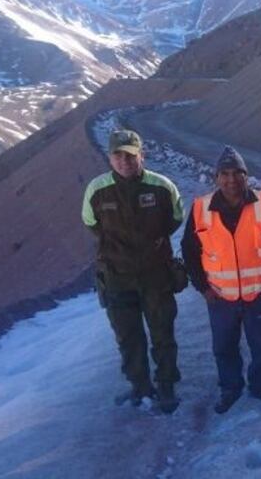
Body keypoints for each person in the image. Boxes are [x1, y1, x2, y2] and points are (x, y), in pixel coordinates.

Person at [181, 147, 261, 414]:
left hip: (258, 296)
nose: (232, 180)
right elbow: (189, 252)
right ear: (217, 177)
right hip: (220, 298)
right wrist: (203, 288)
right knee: (224, 347)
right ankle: (230, 388)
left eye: (237, 173)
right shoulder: (200, 209)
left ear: (246, 176)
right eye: (225, 174)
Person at [81, 129, 184, 413]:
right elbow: (91, 224)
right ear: (110, 158)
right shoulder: (97, 190)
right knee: (128, 336)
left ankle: (166, 384)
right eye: (118, 155)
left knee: (162, 332)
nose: (124, 161)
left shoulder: (162, 187)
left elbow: (175, 218)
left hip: (156, 276)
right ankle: (139, 385)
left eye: (130, 155)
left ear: (142, 155)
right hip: (116, 277)